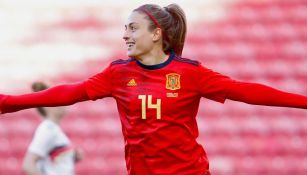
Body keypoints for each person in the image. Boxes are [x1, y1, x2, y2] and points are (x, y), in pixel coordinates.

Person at [0, 3, 307, 175]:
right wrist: (8, 102)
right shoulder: (117, 74)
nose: (125, 35)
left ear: (156, 34)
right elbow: (69, 92)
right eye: (124, 28)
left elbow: (248, 92)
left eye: (132, 28)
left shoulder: (191, 73)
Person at [22, 82, 83, 175]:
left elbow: (53, 160)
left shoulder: (53, 129)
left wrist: (72, 156)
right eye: (58, 99)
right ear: (46, 106)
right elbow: (28, 165)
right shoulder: (48, 129)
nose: (64, 102)